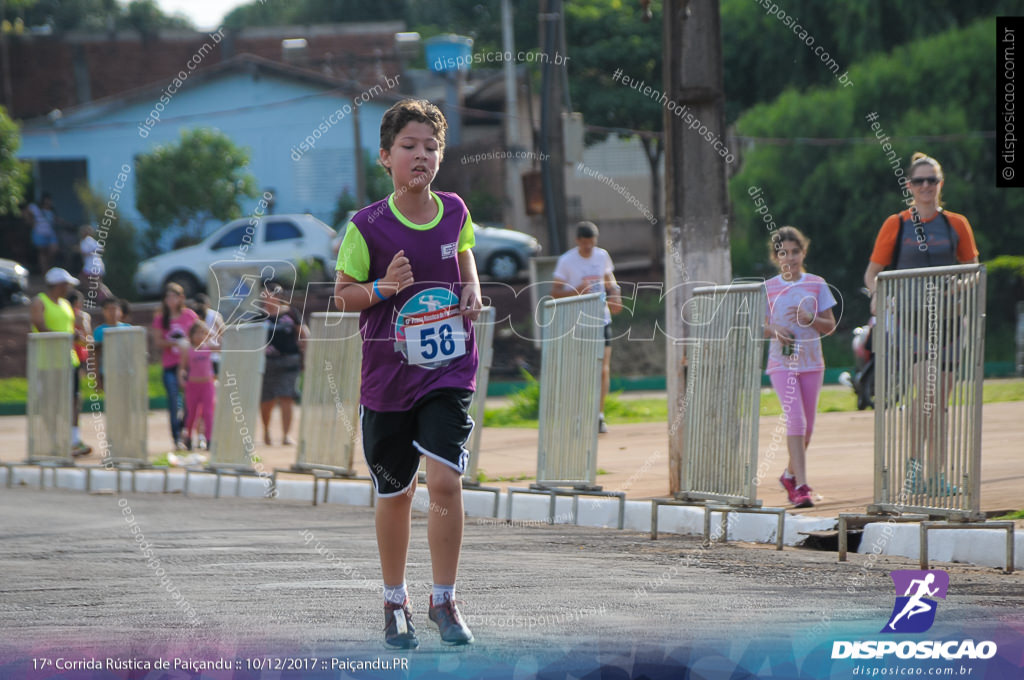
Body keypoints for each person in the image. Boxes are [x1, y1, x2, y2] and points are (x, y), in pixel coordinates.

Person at [334, 99, 481, 648]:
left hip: (447, 370)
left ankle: (444, 598)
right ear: (385, 157)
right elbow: (343, 296)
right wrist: (383, 290)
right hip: (389, 380)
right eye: (409, 147)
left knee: (445, 479)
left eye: (431, 147)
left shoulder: (456, 210)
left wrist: (472, 284)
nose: (422, 155)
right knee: (395, 492)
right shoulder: (365, 227)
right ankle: (394, 602)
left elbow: (463, 252)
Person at [863, 152, 979, 494]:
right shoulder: (896, 224)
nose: (926, 186)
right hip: (912, 322)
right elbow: (873, 273)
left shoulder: (956, 223)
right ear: (909, 186)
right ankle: (913, 471)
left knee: (939, 403)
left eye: (932, 180)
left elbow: (973, 268)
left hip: (949, 323)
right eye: (919, 181)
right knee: (924, 396)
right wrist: (879, 293)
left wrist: (959, 285)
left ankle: (937, 476)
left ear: (940, 184)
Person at [764, 227, 837, 508]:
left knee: (808, 429)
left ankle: (788, 475)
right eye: (784, 253)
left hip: (812, 363)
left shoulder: (817, 284)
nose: (790, 258)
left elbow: (830, 326)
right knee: (796, 421)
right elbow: (757, 327)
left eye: (795, 252)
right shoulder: (768, 288)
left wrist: (810, 319)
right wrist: (774, 329)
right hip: (782, 363)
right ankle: (802, 486)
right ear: (775, 256)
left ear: (803, 252)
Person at [551, 221, 623, 434]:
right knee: (580, 370)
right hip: (576, 321)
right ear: (577, 242)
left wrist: (615, 295)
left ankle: (599, 415)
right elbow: (554, 292)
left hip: (601, 319)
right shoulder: (566, 261)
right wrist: (577, 291)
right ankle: (578, 414)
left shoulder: (602, 256)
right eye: (584, 244)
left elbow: (609, 279)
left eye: (591, 244)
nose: (588, 248)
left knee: (602, 369)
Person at [28, 268, 91, 457]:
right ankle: (53, 439)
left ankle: (73, 439)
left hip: (68, 360)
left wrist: (78, 335)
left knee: (74, 399)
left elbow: (72, 329)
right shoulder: (40, 302)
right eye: (66, 284)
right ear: (58, 285)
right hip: (47, 361)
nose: (68, 288)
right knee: (51, 402)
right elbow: (40, 326)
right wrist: (66, 336)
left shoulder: (65, 304)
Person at [150, 283, 199, 450]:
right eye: (168, 297)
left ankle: (186, 432)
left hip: (188, 365)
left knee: (189, 402)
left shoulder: (189, 316)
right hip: (170, 365)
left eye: (174, 296)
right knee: (173, 401)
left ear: (181, 298)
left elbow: (199, 335)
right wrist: (174, 342)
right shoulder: (160, 318)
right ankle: (176, 437)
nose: (171, 300)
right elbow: (157, 341)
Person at [259, 283, 308, 446]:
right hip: (266, 363)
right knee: (267, 400)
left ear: (277, 296)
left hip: (289, 360)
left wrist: (306, 355)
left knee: (287, 396)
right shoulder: (259, 316)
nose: (265, 299)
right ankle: (266, 431)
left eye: (268, 295)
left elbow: (304, 334)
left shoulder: (291, 312)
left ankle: (286, 435)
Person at [178, 321, 219, 452]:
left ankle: (209, 439)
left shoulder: (208, 348)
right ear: (191, 335)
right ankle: (189, 438)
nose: (200, 336)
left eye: (203, 333)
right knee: (192, 415)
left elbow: (223, 345)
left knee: (208, 413)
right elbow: (182, 368)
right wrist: (181, 379)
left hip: (207, 385)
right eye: (197, 333)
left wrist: (211, 334)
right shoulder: (188, 350)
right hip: (192, 385)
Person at [93, 297, 131, 391]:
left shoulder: (128, 329)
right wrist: (96, 377)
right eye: (109, 309)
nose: (112, 312)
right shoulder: (99, 331)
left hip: (126, 371)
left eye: (114, 309)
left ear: (120, 311)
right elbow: (95, 355)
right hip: (107, 372)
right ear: (103, 311)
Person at [24, 193, 58, 274]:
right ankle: (44, 271)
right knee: (42, 253)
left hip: (50, 233)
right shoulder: (35, 208)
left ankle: (48, 267)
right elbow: (26, 212)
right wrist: (30, 221)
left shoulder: (51, 211)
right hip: (39, 233)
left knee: (53, 250)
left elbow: (56, 220)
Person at [78, 225, 111, 307]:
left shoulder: (86, 241)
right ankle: (107, 299)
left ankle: (106, 300)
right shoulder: (92, 241)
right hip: (97, 266)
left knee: (86, 282)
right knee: (98, 285)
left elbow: (84, 252)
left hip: (91, 267)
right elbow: (101, 249)